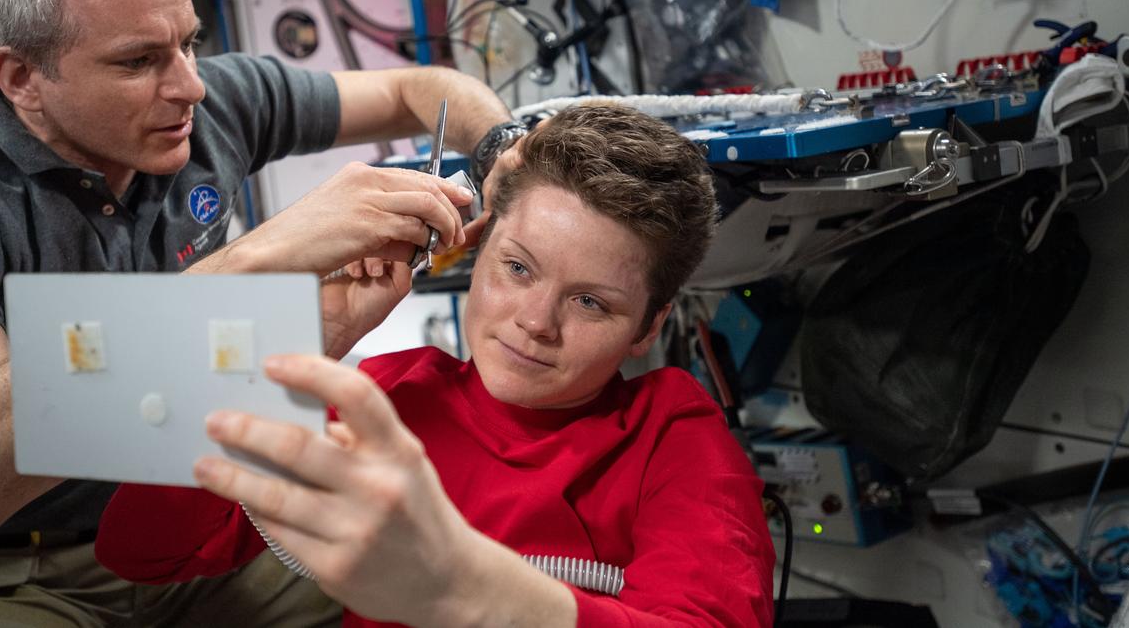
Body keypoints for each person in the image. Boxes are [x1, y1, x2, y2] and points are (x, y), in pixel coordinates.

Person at [0, 0, 529, 627]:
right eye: (139, 61)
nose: (192, 85)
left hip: (210, 514)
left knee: (436, 594)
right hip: (24, 570)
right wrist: (257, 263)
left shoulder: (207, 107)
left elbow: (421, 88)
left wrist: (504, 147)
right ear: (21, 77)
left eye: (189, 43)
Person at [96, 104, 776, 627]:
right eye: (518, 268)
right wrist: (321, 334)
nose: (536, 321)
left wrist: (469, 586)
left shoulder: (671, 436)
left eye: (590, 302)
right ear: (476, 248)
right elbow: (143, 549)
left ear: (648, 326)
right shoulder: (390, 399)